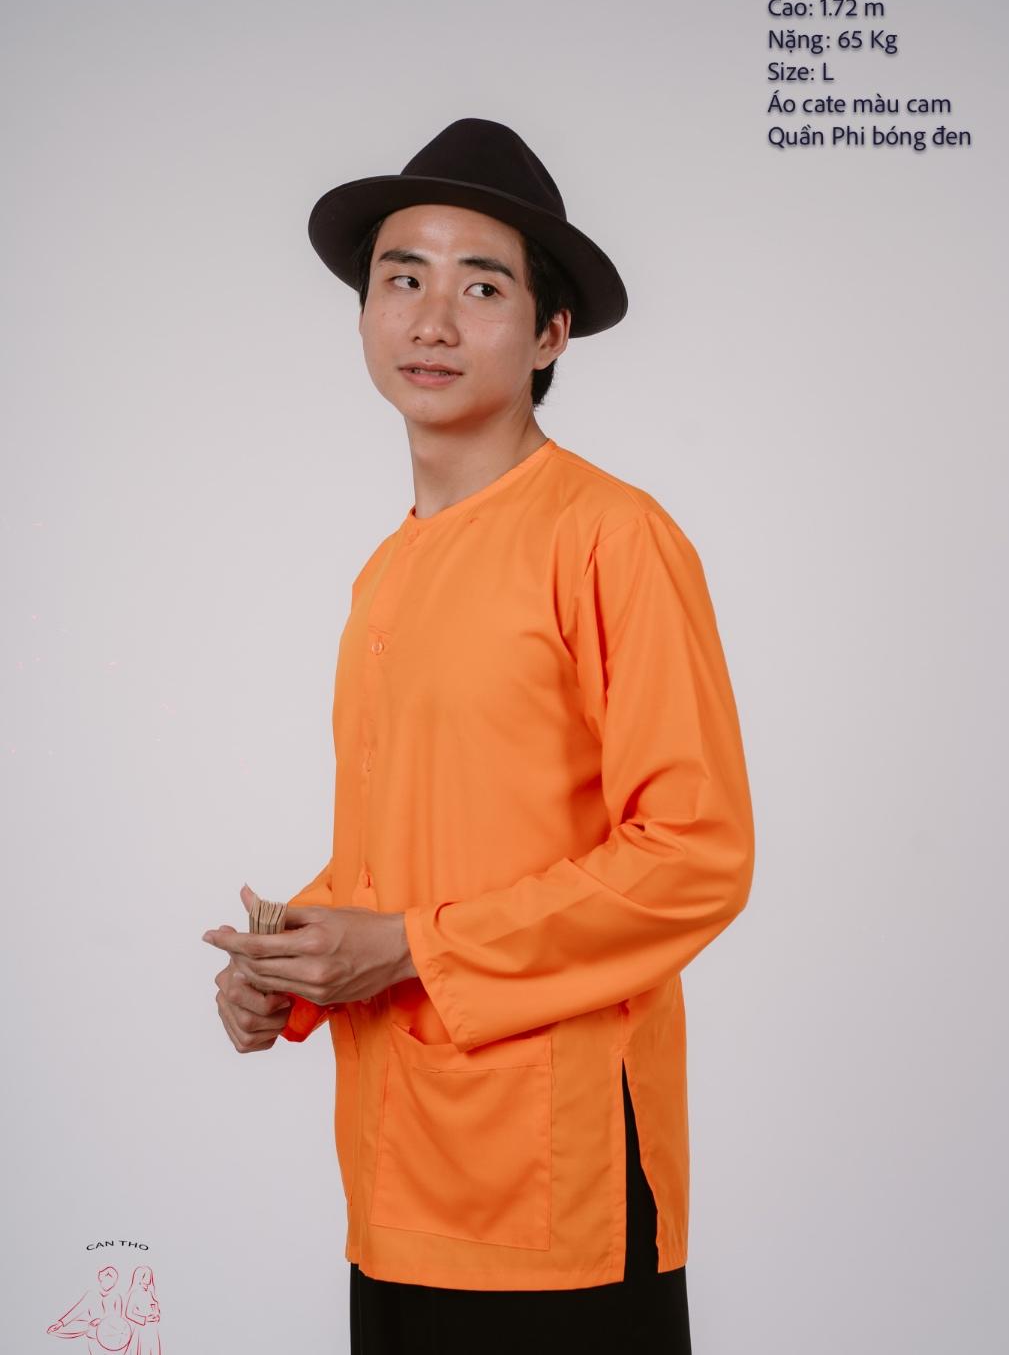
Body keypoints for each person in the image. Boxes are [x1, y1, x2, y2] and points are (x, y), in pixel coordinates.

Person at [202, 117, 755, 1354]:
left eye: (482, 287)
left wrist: (408, 947)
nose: (433, 321)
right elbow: (412, 852)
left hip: (554, 1182)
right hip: (395, 1177)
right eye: (401, 279)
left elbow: (696, 853)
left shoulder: (611, 537)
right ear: (363, 315)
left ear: (550, 333)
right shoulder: (385, 572)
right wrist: (289, 964)